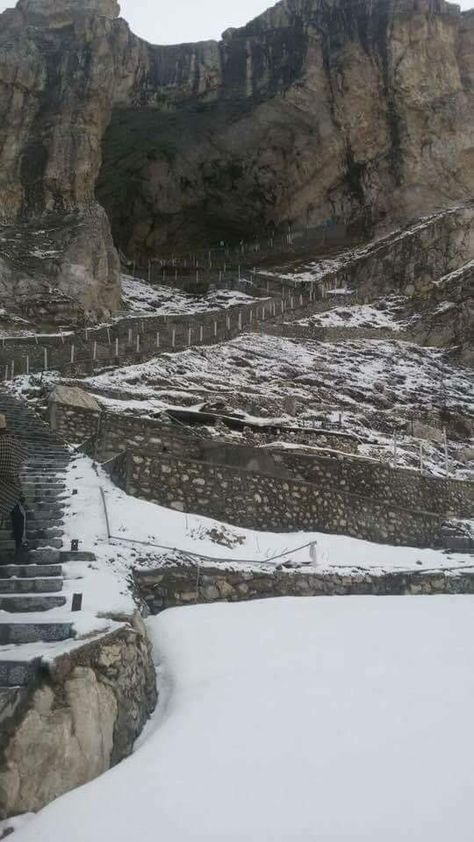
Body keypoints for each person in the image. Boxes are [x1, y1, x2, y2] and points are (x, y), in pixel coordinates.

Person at [0, 414, 27, 558]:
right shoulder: (13, 444)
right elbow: (22, 467)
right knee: (19, 515)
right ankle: (20, 546)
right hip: (10, 488)